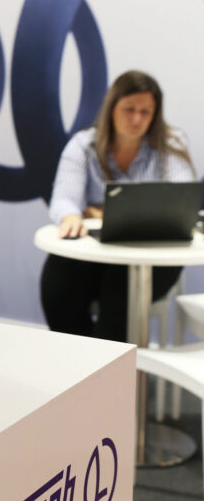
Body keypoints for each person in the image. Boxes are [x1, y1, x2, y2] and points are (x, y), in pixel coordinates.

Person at [40, 70, 196, 341]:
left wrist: (97, 212)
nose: (136, 119)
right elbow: (64, 199)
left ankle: (110, 364)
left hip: (153, 257)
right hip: (98, 254)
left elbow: (181, 199)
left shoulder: (170, 145)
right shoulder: (84, 145)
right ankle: (79, 358)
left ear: (155, 114)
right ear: (112, 107)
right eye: (129, 109)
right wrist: (71, 216)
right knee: (58, 285)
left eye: (145, 112)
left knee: (120, 294)